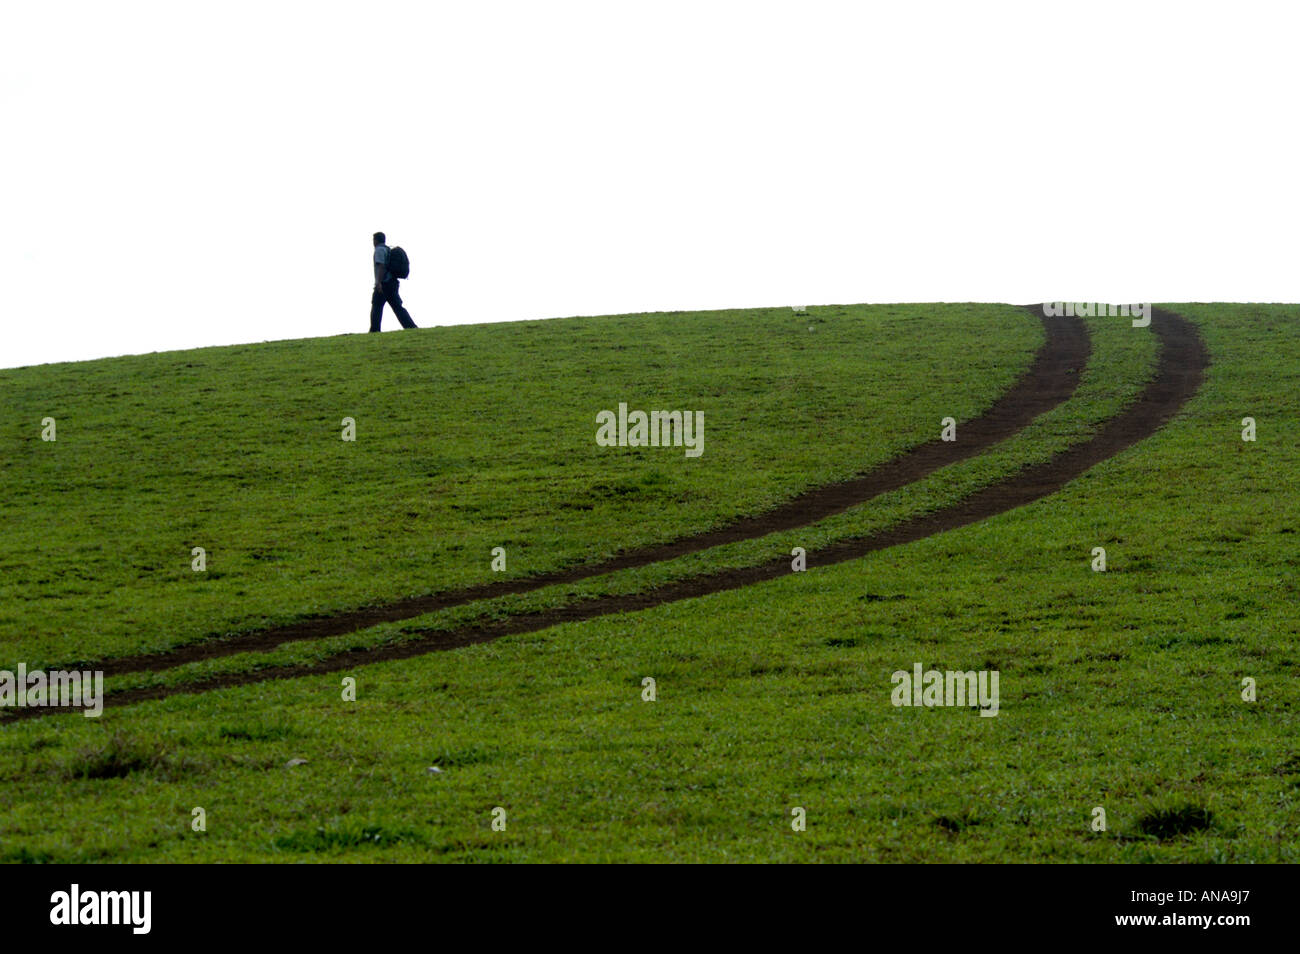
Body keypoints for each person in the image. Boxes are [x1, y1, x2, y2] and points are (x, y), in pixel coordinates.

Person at [369, 232, 417, 332]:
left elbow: (381, 266)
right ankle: (411, 327)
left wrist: (378, 283)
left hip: (384, 283)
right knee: (397, 307)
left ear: (376, 240)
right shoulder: (387, 249)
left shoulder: (379, 250)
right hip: (392, 282)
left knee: (377, 306)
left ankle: (374, 330)